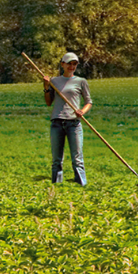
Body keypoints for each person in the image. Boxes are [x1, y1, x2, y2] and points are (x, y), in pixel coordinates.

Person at [41, 52, 91, 185]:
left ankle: (81, 183)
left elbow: (88, 102)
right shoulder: (54, 81)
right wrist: (46, 87)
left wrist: (82, 111)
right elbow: (48, 102)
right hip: (57, 122)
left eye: (74, 64)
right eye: (69, 63)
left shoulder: (81, 81)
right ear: (62, 64)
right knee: (57, 159)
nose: (72, 66)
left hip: (73, 123)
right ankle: (57, 184)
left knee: (77, 158)